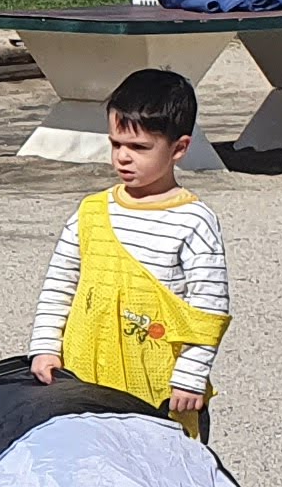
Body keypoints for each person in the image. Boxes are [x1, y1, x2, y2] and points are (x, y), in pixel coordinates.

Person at [27, 66, 229, 432]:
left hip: (158, 385)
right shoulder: (90, 212)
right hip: (83, 373)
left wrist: (190, 375)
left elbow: (207, 307)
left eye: (139, 147)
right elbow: (59, 285)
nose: (123, 157)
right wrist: (45, 347)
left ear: (179, 148)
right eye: (116, 144)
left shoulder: (193, 221)